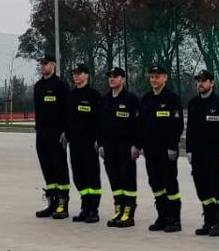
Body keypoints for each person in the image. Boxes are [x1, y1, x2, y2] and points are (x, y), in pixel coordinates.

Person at [184, 69, 219, 236]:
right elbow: (190, 130)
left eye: (204, 81)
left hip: (215, 153)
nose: (200, 84)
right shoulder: (193, 103)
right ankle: (209, 220)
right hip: (197, 154)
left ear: (212, 83)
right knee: (201, 187)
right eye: (199, 80)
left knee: (217, 187)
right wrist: (188, 150)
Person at [138, 64, 184, 233]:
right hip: (151, 150)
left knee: (170, 183)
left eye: (157, 77)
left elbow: (177, 124)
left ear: (165, 78)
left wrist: (172, 146)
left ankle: (174, 219)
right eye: (152, 77)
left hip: (167, 150)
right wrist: (141, 145)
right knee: (155, 183)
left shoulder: (172, 99)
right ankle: (162, 216)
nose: (154, 80)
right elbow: (140, 124)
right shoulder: (146, 99)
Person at [97, 67, 141, 228]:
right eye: (110, 76)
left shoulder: (131, 99)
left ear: (123, 79)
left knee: (127, 178)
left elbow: (139, 124)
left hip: (126, 146)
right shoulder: (105, 99)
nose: (112, 79)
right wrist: (100, 144)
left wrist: (136, 145)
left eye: (115, 76)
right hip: (109, 146)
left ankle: (129, 213)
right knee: (114, 179)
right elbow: (99, 124)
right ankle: (119, 209)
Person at [30, 55, 72, 219]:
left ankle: (63, 203)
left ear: (53, 65)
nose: (42, 66)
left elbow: (67, 110)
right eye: (41, 63)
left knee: (59, 166)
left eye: (45, 63)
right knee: (46, 166)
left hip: (57, 132)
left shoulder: (60, 85)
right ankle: (52, 201)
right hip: (42, 132)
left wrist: (66, 130)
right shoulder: (38, 86)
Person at [64, 63, 105, 223]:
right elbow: (67, 118)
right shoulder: (70, 95)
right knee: (78, 176)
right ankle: (85, 206)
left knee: (92, 175)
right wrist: (66, 134)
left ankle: (94, 209)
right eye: (74, 73)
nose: (76, 75)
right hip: (74, 142)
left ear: (87, 75)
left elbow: (100, 120)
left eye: (79, 73)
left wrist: (98, 139)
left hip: (89, 142)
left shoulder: (94, 95)